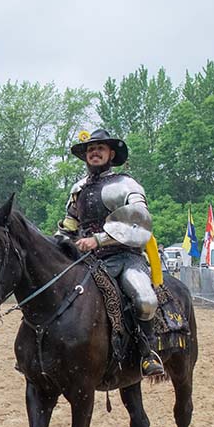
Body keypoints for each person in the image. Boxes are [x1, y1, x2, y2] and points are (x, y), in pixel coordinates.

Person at [56, 128, 164, 377]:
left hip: (126, 258)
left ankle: (148, 354)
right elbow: (70, 224)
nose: (94, 153)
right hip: (88, 261)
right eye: (91, 150)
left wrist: (98, 240)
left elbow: (141, 223)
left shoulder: (126, 184)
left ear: (111, 154)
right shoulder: (78, 189)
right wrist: (58, 243)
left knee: (144, 299)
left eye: (100, 149)